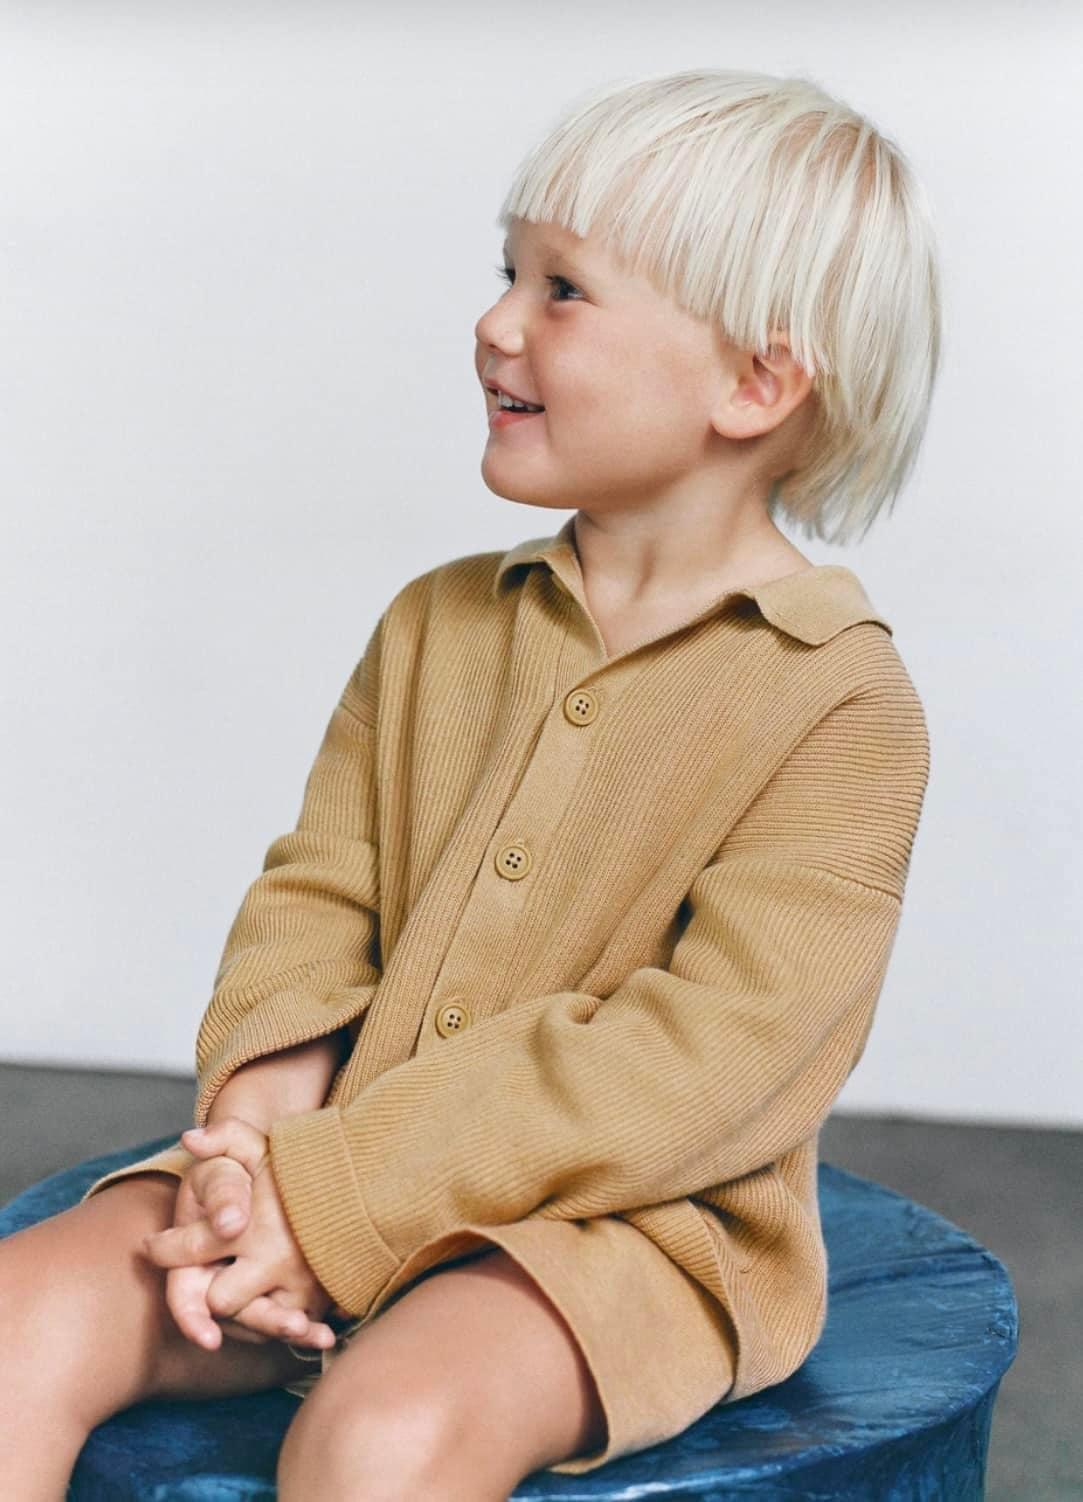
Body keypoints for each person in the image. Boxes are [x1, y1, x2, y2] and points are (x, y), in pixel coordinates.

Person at [0, 66, 940, 1500]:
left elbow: (699, 1061)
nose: (498, 323)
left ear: (755, 382)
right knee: (19, 1314)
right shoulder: (437, 622)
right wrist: (254, 1137)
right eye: (509, 273)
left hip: (626, 1231)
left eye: (564, 290)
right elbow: (319, 899)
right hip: (326, 1154)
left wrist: (341, 1194)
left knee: (386, 1433)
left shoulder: (839, 701)